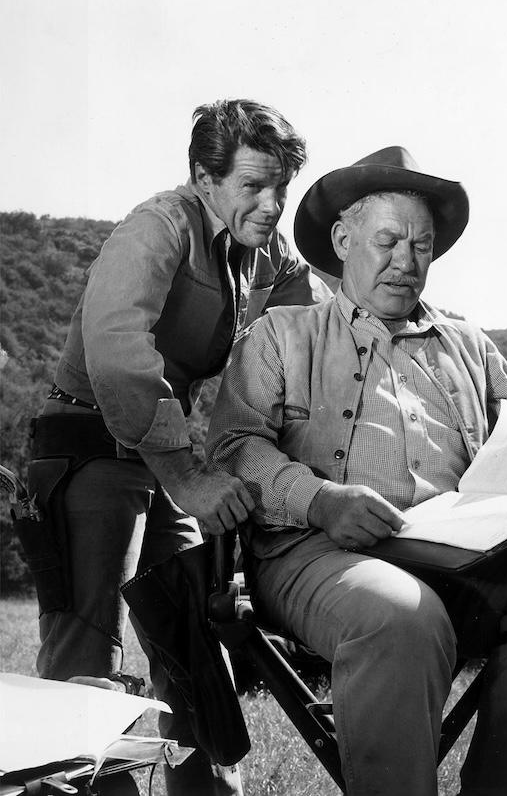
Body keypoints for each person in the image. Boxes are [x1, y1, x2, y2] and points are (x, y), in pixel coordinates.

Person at [206, 146, 507, 796]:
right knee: (402, 613)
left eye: (422, 246)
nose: (406, 262)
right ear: (343, 239)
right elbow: (235, 449)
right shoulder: (280, 335)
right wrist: (318, 498)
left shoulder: (471, 346)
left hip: (466, 559)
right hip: (318, 553)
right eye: (388, 241)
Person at [29, 99, 331, 796]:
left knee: (195, 637)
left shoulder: (274, 257)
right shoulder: (157, 226)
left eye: (281, 187)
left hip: (167, 454)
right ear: (203, 176)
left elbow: (293, 363)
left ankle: (210, 791)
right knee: (86, 659)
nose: (271, 204)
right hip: (87, 440)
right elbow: (117, 355)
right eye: (253, 185)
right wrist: (188, 476)